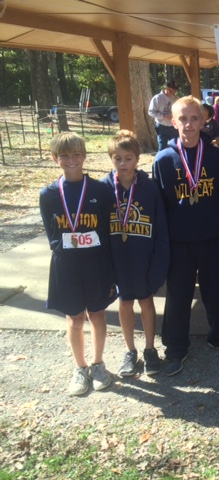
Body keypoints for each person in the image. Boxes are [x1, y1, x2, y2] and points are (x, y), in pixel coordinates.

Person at [152, 95, 219, 376]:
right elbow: (161, 203)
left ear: (204, 120)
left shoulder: (215, 157)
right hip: (179, 243)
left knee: (217, 291)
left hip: (212, 237)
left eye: (194, 118)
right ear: (173, 121)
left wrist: (215, 222)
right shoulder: (164, 159)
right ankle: (175, 348)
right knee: (178, 295)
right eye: (183, 119)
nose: (189, 124)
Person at [39, 132, 117, 395]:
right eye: (64, 155)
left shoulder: (100, 190)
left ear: (84, 156)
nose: (71, 160)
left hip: (96, 264)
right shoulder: (48, 194)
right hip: (67, 266)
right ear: (55, 159)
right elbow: (52, 235)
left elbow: (107, 229)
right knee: (73, 318)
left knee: (97, 314)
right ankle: (80, 367)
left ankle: (98, 364)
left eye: (76, 154)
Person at [103, 130, 170, 377]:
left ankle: (150, 349)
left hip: (144, 259)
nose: (123, 164)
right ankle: (130, 351)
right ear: (111, 159)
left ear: (137, 158)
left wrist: (158, 263)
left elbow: (161, 229)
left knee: (146, 301)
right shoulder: (103, 188)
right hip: (118, 260)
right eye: (117, 158)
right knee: (124, 303)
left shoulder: (150, 189)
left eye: (128, 158)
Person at [148, 80, 179, 151]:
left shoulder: (176, 99)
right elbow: (150, 111)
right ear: (166, 89)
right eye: (171, 91)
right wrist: (162, 116)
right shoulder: (157, 98)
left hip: (174, 126)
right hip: (162, 126)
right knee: (162, 147)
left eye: (175, 91)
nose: (174, 93)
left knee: (175, 147)